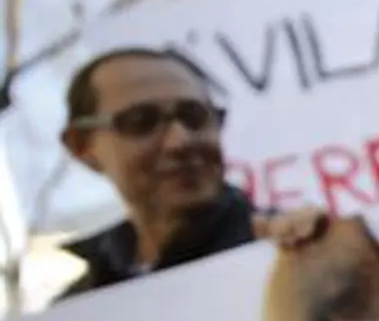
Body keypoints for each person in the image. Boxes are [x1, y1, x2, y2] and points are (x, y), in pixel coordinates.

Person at [52, 47, 322, 303]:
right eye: (141, 122)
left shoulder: (295, 254)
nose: (179, 141)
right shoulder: (71, 317)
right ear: (82, 146)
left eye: (194, 117)